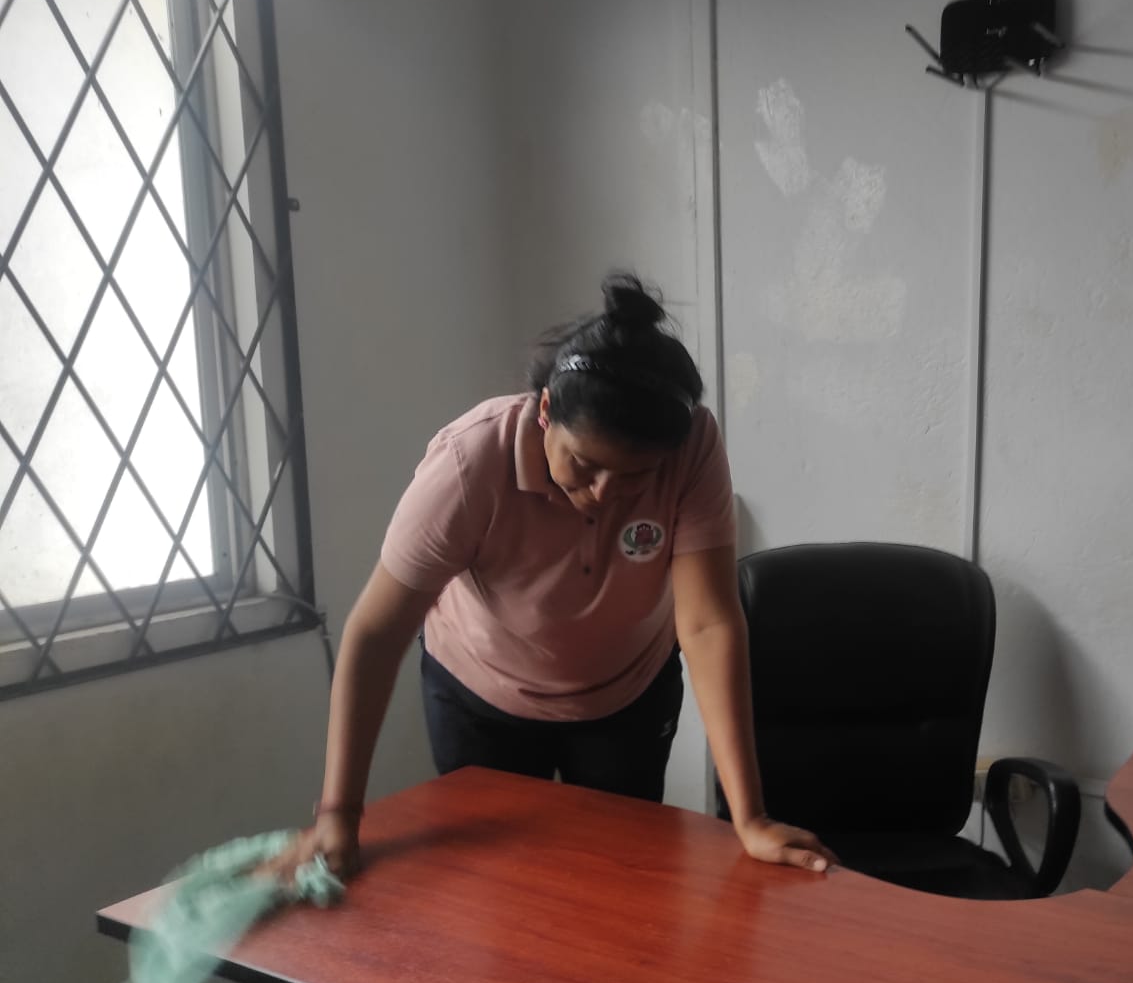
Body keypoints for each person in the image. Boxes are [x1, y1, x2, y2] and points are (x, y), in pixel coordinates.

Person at [275, 274, 836, 881]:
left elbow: (707, 623)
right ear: (545, 411)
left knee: (621, 878)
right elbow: (377, 632)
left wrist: (750, 818)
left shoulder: (693, 445)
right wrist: (340, 811)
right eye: (585, 464)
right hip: (483, 699)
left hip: (627, 698)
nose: (604, 493)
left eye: (635, 477)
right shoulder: (469, 464)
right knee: (496, 890)